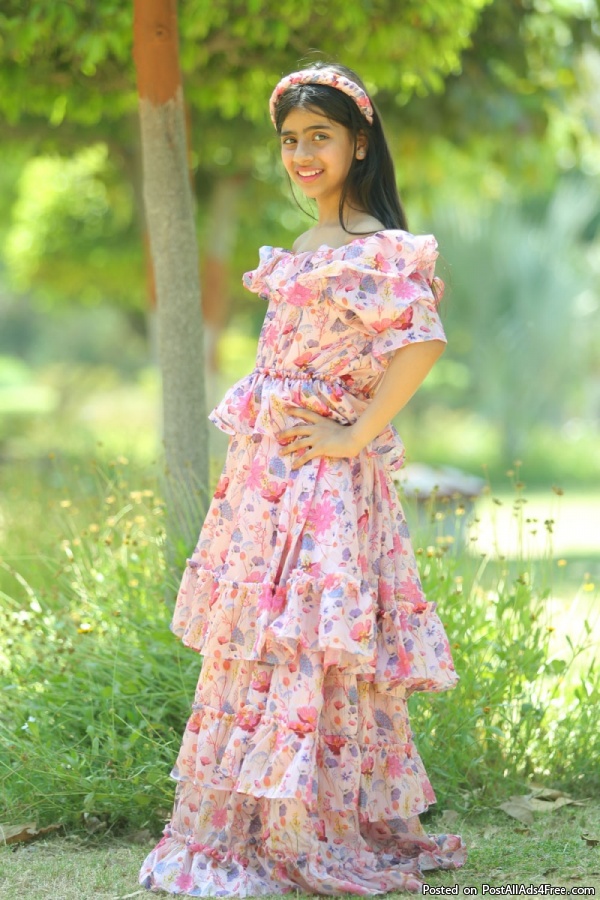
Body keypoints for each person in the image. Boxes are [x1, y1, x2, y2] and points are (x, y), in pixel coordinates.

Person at [139, 60, 467, 896]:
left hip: (321, 484)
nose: (302, 155)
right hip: (271, 482)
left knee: (306, 645)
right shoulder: (310, 247)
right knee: (264, 643)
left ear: (359, 144)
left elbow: (423, 341)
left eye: (320, 137)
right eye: (290, 140)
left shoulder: (372, 246)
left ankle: (302, 827)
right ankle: (264, 821)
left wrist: (356, 432)